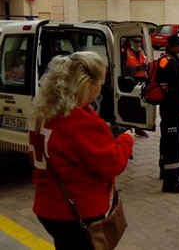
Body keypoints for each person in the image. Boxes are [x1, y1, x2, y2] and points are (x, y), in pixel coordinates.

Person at [30, 51, 135, 250]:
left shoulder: (43, 111)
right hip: (76, 210)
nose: (100, 90)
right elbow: (112, 164)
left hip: (48, 205)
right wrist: (126, 140)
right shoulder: (80, 122)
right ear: (87, 84)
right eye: (100, 84)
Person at [156, 34, 179, 193]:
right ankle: (171, 180)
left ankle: (165, 168)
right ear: (170, 46)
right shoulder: (170, 63)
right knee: (174, 141)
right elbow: (178, 86)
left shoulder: (167, 59)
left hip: (168, 107)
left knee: (167, 138)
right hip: (172, 107)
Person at [123, 37, 149, 138]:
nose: (138, 43)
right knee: (130, 105)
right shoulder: (125, 52)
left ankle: (139, 128)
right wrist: (137, 68)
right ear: (130, 41)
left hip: (142, 80)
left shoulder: (142, 51)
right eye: (135, 41)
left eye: (139, 41)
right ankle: (128, 128)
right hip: (131, 81)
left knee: (141, 105)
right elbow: (123, 68)